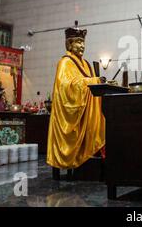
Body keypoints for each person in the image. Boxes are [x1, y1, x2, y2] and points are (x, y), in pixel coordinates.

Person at [47, 21, 106, 173]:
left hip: (87, 110)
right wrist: (93, 81)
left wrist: (99, 82)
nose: (82, 46)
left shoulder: (86, 64)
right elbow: (66, 87)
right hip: (72, 112)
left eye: (83, 43)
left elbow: (89, 81)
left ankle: (89, 158)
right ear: (70, 44)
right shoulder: (65, 62)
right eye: (79, 42)